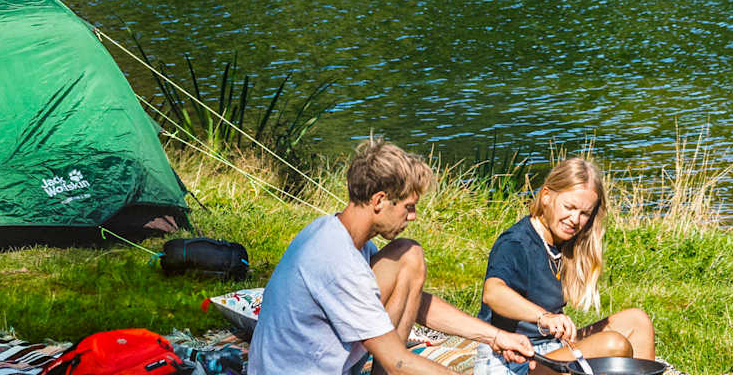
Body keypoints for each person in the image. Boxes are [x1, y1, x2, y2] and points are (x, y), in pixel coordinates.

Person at [251, 138, 536, 375]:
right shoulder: (336, 260)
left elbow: (416, 301)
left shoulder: (339, 234)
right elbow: (397, 363)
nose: (412, 217)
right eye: (408, 207)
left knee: (408, 256)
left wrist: (496, 336)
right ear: (379, 201)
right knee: (409, 254)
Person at [474, 157, 656, 375]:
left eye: (584, 213)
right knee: (613, 345)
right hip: (512, 360)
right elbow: (493, 293)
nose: (575, 219)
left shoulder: (564, 244)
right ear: (547, 196)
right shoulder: (516, 243)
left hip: (551, 349)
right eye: (569, 207)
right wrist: (544, 317)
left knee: (637, 321)